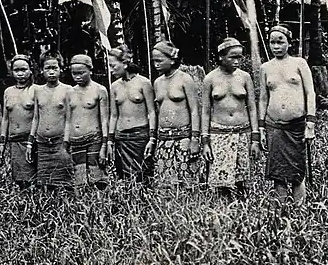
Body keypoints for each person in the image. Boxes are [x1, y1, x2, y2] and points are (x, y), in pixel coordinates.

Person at [258, 25, 316, 203]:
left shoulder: (299, 63)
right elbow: (262, 99)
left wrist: (310, 124)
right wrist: (260, 128)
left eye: (280, 42)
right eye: (272, 42)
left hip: (296, 125)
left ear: (289, 43)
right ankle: (281, 213)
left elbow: (310, 93)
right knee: (278, 173)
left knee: (298, 173)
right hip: (274, 126)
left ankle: (300, 211)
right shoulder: (266, 67)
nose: (276, 46)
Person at [202, 38, 261, 196]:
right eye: (232, 57)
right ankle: (222, 213)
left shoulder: (245, 77)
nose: (237, 61)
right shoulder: (210, 79)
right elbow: (206, 111)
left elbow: (252, 108)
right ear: (221, 57)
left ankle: (242, 214)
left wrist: (255, 139)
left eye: (239, 57)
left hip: (243, 132)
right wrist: (205, 141)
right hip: (219, 134)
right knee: (221, 183)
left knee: (241, 181)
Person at [151, 40, 201, 186]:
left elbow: (194, 110)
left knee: (188, 183)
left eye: (159, 60)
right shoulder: (157, 82)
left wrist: (194, 139)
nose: (156, 64)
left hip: (184, 138)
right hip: (163, 139)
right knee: (165, 185)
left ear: (172, 60)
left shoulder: (185, 79)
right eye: (154, 61)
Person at [109, 44, 156, 182]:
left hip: (140, 136)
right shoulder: (114, 86)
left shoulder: (144, 83)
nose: (111, 70)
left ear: (124, 63)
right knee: (123, 178)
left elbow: (152, 112)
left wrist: (152, 138)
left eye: (113, 65)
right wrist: (110, 141)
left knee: (141, 176)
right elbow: (113, 115)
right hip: (121, 137)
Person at [28, 52, 74, 189]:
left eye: (55, 68)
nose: (51, 72)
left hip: (60, 142)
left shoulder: (68, 90)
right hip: (42, 144)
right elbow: (36, 117)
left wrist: (66, 143)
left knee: (65, 184)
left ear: (61, 69)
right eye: (48, 68)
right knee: (45, 185)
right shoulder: (38, 91)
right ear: (41, 70)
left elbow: (69, 119)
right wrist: (30, 143)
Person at [68, 54, 110, 189]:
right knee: (79, 180)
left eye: (81, 73)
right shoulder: (70, 92)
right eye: (74, 73)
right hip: (75, 141)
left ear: (90, 70)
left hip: (94, 139)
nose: (77, 77)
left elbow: (105, 120)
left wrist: (104, 145)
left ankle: (101, 206)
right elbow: (68, 120)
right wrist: (66, 142)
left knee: (98, 179)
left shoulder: (99, 90)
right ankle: (81, 207)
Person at [1, 54, 37, 188]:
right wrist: (2, 142)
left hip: (31, 141)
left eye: (24, 70)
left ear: (30, 70)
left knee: (34, 178)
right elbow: (5, 118)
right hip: (14, 141)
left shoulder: (36, 90)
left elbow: (37, 117)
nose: (20, 74)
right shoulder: (8, 92)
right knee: (21, 180)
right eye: (17, 70)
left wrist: (32, 141)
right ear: (12, 72)